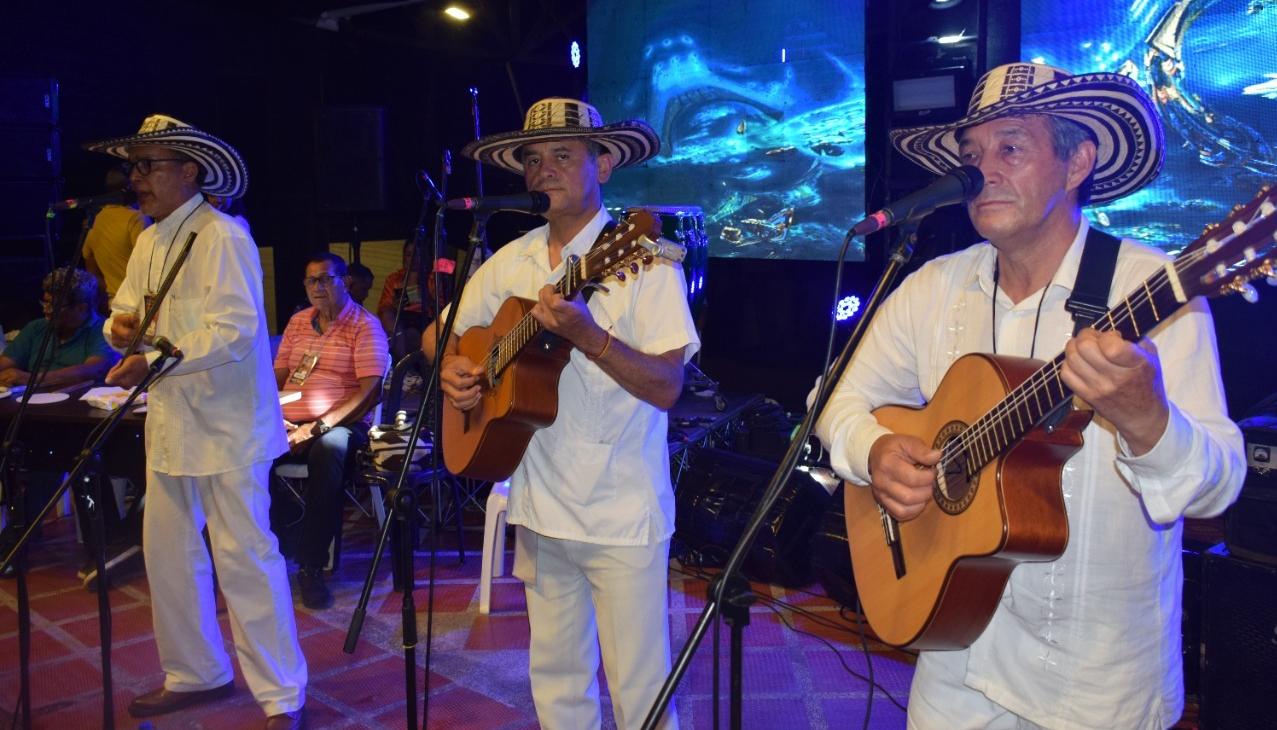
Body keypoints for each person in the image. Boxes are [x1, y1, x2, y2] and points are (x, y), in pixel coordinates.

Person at [814, 63, 1246, 729]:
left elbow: (1215, 487)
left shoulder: (1148, 288)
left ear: (1077, 161)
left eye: (1009, 148)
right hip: (952, 654)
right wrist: (871, 451)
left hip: (1093, 684)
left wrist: (1145, 420)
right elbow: (833, 398)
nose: (981, 171)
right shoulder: (933, 285)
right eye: (971, 156)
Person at [440, 97, 697, 730]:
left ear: (604, 165)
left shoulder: (641, 260)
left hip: (621, 510)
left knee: (641, 688)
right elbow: (444, 335)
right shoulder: (510, 261)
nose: (544, 169)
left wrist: (591, 337)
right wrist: (453, 368)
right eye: (533, 159)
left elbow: (668, 386)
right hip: (539, 499)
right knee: (555, 677)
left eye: (563, 155)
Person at [92, 114, 307, 730]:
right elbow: (121, 314)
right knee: (168, 554)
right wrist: (121, 331)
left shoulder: (222, 235)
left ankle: (281, 694)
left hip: (229, 426)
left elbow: (237, 332)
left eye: (148, 165)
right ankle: (196, 672)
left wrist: (151, 354)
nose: (136, 178)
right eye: (134, 166)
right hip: (170, 422)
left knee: (245, 558)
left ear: (189, 170)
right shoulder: (147, 239)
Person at [274, 252, 388, 609]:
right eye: (311, 281)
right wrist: (272, 418)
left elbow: (370, 391)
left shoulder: (365, 326)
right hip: (289, 421)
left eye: (326, 279)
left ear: (346, 282)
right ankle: (282, 535)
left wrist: (316, 427)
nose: (318, 287)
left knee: (330, 450)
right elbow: (275, 379)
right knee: (242, 447)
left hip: (341, 424)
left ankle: (310, 566)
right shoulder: (297, 323)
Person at [0, 266, 117, 388]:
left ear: (82, 308)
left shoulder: (104, 330)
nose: (46, 310)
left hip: (78, 401)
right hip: (29, 398)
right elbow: (5, 364)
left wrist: (30, 379)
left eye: (54, 305)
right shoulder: (36, 327)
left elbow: (93, 370)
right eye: (45, 302)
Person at [81, 166, 148, 311]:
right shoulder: (136, 219)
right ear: (131, 189)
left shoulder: (96, 220)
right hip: (138, 304)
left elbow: (89, 261)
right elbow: (149, 263)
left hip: (114, 303)